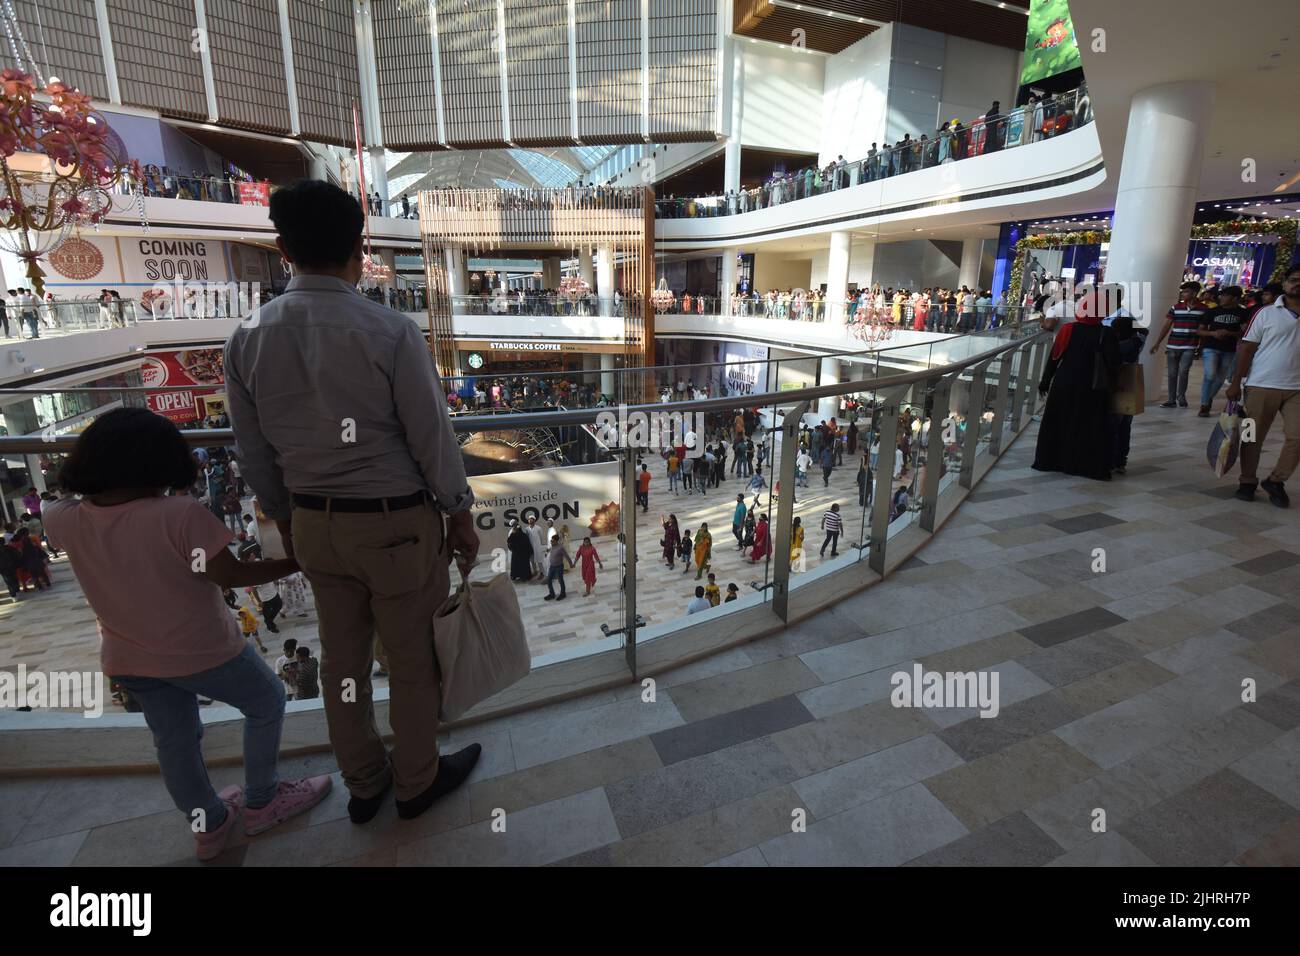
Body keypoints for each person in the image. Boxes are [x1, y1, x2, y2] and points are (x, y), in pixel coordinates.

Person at [224, 180, 480, 826]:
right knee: (412, 661)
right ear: (360, 251)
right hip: (395, 528)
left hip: (315, 524)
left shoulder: (246, 338)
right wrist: (459, 512)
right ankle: (416, 781)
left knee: (343, 662)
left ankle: (365, 784)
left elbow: (254, 454)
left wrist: (290, 518)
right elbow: (433, 438)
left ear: (282, 248)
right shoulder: (389, 331)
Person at [41, 408, 330, 861]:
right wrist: (298, 562)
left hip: (128, 658)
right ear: (160, 462)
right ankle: (262, 800)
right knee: (267, 701)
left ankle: (210, 825)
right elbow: (231, 574)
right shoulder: (180, 514)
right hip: (205, 651)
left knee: (175, 741)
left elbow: (56, 499)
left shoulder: (63, 517)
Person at [1225, 263, 1300, 507]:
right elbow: (1246, 348)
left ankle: (1276, 480)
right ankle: (1247, 481)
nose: (1297, 283)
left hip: (1296, 389)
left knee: (1297, 437)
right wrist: (1236, 383)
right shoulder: (1265, 312)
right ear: (1286, 283)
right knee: (1251, 436)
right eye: (1293, 279)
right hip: (1260, 385)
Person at [1033, 290, 1120, 480]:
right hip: (1093, 387)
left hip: (1065, 382)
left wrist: (1045, 381)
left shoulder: (1068, 330)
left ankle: (1053, 460)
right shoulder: (1107, 333)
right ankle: (1084, 465)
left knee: (1060, 421)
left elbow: (1055, 357)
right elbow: (1113, 364)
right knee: (1089, 424)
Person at [1149, 281, 1204, 408]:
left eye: (1186, 291)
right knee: (1172, 373)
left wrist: (1200, 348)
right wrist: (1158, 342)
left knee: (1184, 371)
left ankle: (1181, 397)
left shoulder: (1203, 309)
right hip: (1173, 345)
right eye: (1183, 291)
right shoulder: (1176, 307)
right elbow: (1167, 325)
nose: (1183, 294)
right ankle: (1171, 399)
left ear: (1195, 293)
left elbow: (1203, 329)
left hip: (1190, 346)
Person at [1194, 285, 1246, 416]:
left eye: (1225, 295)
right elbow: (1199, 330)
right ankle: (1205, 405)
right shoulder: (1212, 311)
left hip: (1229, 349)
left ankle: (1207, 399)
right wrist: (1213, 334)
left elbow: (1244, 332)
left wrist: (1230, 333)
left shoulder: (1242, 313)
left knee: (1220, 378)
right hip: (1210, 347)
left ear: (1235, 298)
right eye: (1221, 295)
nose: (1221, 298)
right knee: (1210, 374)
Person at [1109, 316, 1147, 475]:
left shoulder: (1117, 346)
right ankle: (1121, 461)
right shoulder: (1138, 341)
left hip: (1117, 384)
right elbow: (1145, 330)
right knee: (1125, 425)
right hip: (1132, 384)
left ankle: (1111, 459)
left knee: (1113, 426)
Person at [525, 514, 546, 581]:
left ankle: (542, 573)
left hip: (537, 547)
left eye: (532, 519)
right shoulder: (527, 529)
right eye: (529, 519)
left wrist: (540, 546)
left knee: (539, 560)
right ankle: (535, 571)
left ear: (534, 520)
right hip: (530, 547)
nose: (530, 520)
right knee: (532, 560)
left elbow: (541, 537)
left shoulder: (538, 528)